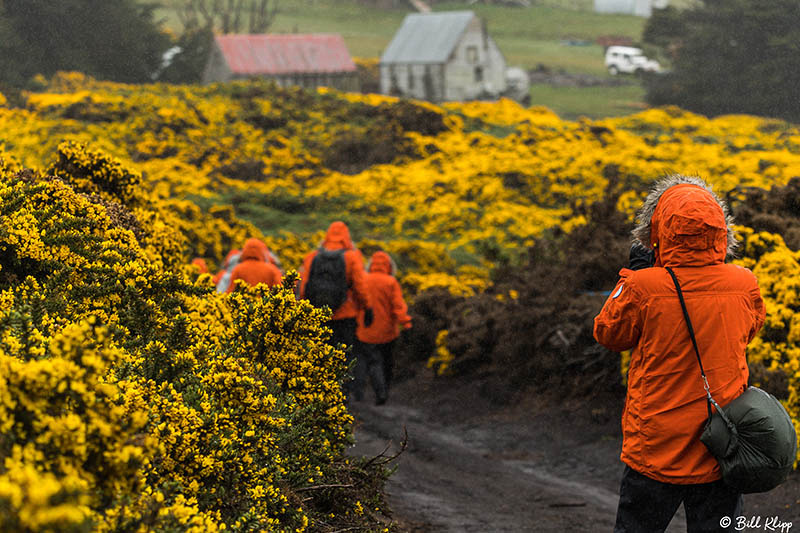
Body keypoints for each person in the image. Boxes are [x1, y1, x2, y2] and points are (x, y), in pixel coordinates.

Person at [593, 174, 765, 532]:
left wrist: (630, 278)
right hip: (721, 444)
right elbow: (751, 328)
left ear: (657, 229)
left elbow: (608, 332)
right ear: (721, 231)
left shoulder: (642, 287)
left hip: (656, 448)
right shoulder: (744, 282)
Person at [299, 221, 372, 362]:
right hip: (346, 315)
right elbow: (360, 286)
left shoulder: (313, 256)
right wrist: (367, 307)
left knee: (319, 358)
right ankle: (344, 384)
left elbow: (304, 285)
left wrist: (305, 309)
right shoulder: (352, 256)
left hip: (319, 315)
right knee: (344, 358)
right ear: (346, 236)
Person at [351, 250, 412, 405]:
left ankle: (358, 393)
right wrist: (406, 322)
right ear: (389, 266)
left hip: (364, 329)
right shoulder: (390, 282)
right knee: (383, 362)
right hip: (387, 332)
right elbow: (398, 306)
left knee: (363, 361)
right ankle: (382, 393)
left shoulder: (363, 279)